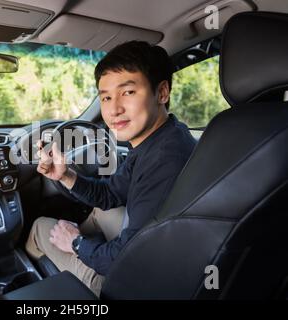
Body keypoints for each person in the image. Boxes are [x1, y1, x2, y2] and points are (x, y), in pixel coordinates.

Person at [25, 41, 197, 296]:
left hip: (131, 284)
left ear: (162, 93)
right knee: (100, 210)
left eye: (127, 92)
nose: (113, 109)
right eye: (105, 97)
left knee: (40, 226)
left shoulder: (164, 159)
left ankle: (39, 286)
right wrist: (66, 175)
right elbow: (110, 194)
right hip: (167, 254)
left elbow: (129, 258)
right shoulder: (165, 137)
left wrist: (76, 243)